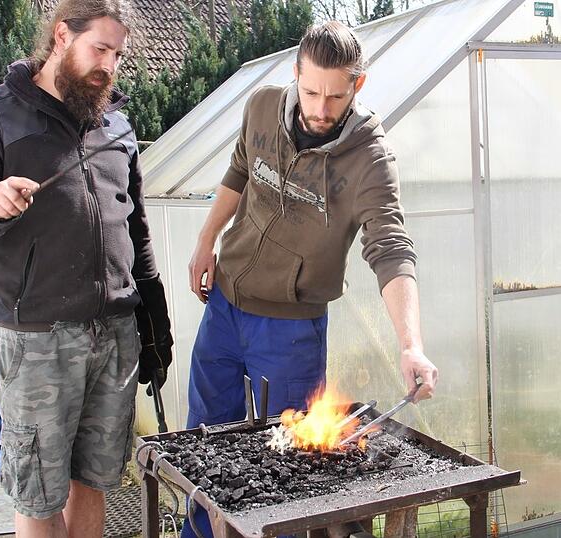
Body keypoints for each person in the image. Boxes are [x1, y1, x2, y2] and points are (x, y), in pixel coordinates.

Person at [183, 20, 438, 538]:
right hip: (225, 308)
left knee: (293, 473)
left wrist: (411, 345)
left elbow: (389, 247)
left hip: (291, 332)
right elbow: (238, 172)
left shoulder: (369, 157)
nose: (321, 109)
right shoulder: (260, 107)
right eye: (311, 91)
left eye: (336, 96)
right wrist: (207, 238)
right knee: (206, 446)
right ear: (295, 74)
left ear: (357, 86)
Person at [0, 1, 173, 536]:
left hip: (114, 335)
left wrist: (153, 314)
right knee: (39, 496)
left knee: (97, 480)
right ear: (62, 35)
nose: (109, 66)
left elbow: (134, 228)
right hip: (35, 340)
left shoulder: (115, 123)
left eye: (118, 54)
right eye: (100, 49)